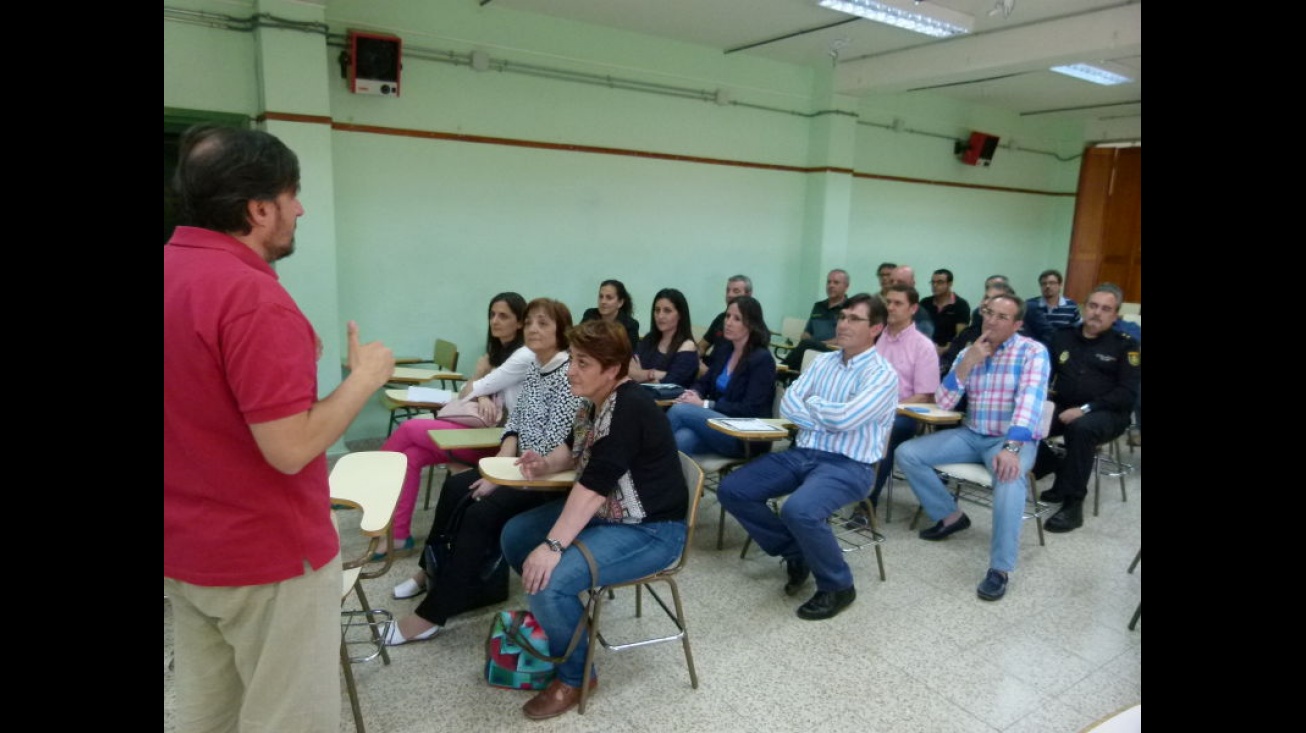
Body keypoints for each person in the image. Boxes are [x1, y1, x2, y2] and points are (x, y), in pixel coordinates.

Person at [164, 124, 395, 732]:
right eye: (292, 195)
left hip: (187, 552)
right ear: (258, 208)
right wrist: (363, 379)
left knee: (208, 716)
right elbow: (289, 448)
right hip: (267, 558)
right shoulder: (252, 299)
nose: (300, 209)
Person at [501, 318, 688, 720]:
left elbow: (592, 487)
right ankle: (565, 623)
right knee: (515, 537)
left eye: (583, 363)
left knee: (547, 580)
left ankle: (576, 675)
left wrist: (553, 547)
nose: (571, 370)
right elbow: (572, 451)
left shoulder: (629, 408)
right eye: (573, 360)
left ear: (612, 368)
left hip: (652, 530)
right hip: (609, 514)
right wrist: (544, 463)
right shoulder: (593, 400)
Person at [385, 298, 586, 644]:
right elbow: (516, 428)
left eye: (543, 324)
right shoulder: (537, 368)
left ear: (561, 333)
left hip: (549, 479)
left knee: (480, 514)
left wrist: (501, 480)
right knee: (455, 488)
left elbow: (552, 445)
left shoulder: (566, 374)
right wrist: (495, 472)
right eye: (530, 323)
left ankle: (431, 615)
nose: (533, 329)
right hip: (520, 470)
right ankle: (426, 572)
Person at [717, 293, 898, 621]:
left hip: (850, 464)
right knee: (733, 489)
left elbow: (846, 420)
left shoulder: (882, 375)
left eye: (854, 319)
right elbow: (787, 403)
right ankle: (794, 550)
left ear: (876, 328)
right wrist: (827, 412)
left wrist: (813, 406)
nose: (843, 324)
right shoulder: (824, 361)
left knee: (798, 509)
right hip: (802, 452)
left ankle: (838, 584)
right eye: (842, 317)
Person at [896, 292, 1050, 602]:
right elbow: (944, 402)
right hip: (972, 433)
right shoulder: (971, 350)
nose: (991, 321)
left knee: (1008, 478)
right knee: (907, 453)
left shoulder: (1032, 352)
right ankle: (951, 516)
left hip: (1008, 439)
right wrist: (966, 364)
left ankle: (1000, 569)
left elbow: (1029, 404)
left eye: (1001, 317)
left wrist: (1012, 448)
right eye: (988, 313)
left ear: (1017, 324)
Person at [379, 292, 529, 553]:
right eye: (492, 315)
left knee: (408, 428)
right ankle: (400, 534)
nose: (495, 321)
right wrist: (480, 387)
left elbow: (474, 390)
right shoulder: (496, 354)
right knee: (412, 457)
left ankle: (369, 478)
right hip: (479, 432)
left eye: (503, 316)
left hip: (498, 442)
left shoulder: (521, 357)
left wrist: (480, 381)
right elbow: (467, 393)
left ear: (519, 322)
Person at [1030, 283, 1140, 532]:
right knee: (1028, 419)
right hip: (1065, 405)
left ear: (1115, 315)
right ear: (1084, 307)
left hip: (1108, 413)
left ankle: (1072, 503)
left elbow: (1127, 393)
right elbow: (1046, 375)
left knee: (1081, 429)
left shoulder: (1126, 345)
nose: (1097, 313)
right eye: (1093, 306)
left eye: (1105, 309)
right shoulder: (1063, 336)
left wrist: (1086, 408)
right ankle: (1058, 464)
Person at [853, 284, 940, 522]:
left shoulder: (923, 346)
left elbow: (925, 395)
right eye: (887, 302)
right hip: (868, 408)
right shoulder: (874, 338)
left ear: (913, 309)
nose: (890, 307)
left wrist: (883, 411)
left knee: (883, 434)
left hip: (904, 414)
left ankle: (866, 504)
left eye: (897, 303)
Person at [667, 295, 777, 457]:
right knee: (681, 440)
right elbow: (704, 382)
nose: (728, 322)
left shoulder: (762, 359)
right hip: (717, 426)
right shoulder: (725, 349)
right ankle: (664, 480)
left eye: (737, 319)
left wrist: (704, 404)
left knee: (679, 410)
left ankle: (641, 465)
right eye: (727, 316)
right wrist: (694, 393)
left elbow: (750, 409)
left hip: (743, 434)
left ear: (751, 325)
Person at [628, 287, 700, 389]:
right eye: (657, 310)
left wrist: (640, 374)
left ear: (680, 315)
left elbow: (670, 383)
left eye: (667, 311)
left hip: (668, 402)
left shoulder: (687, 346)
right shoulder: (650, 338)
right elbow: (628, 370)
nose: (660, 316)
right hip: (640, 395)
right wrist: (653, 374)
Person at [782, 268, 850, 371]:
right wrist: (810, 339)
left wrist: (817, 342)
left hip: (834, 352)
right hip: (812, 348)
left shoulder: (850, 309)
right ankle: (783, 378)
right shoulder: (818, 306)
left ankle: (779, 374)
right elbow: (806, 333)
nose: (831, 285)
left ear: (846, 287)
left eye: (836, 282)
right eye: (828, 282)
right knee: (805, 348)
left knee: (806, 346)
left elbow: (843, 340)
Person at [698, 274, 752, 359]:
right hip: (711, 366)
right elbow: (702, 345)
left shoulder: (753, 323)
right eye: (728, 291)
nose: (729, 295)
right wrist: (694, 357)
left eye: (736, 291)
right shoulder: (721, 317)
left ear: (748, 295)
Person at [920, 268, 971, 356]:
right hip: (924, 349)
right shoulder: (925, 303)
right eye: (933, 282)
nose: (935, 285)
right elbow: (917, 328)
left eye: (940, 282)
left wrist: (945, 349)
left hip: (949, 352)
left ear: (950, 284)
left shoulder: (960, 305)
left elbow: (960, 336)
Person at [581, 279, 639, 352]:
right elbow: (579, 342)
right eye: (601, 297)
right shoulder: (590, 315)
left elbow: (628, 354)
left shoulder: (630, 325)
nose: (603, 301)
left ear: (620, 303)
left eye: (609, 298)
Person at [887, 265, 935, 340]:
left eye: (900, 282)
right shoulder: (883, 310)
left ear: (912, 284)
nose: (894, 285)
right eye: (891, 281)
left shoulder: (922, 321)